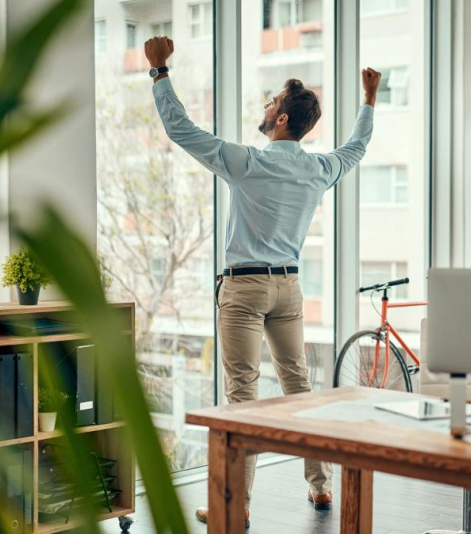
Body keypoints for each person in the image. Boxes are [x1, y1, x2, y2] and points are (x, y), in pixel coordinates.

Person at [144, 36, 379, 529]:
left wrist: (160, 72)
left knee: (243, 395)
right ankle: (321, 488)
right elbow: (356, 148)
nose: (265, 106)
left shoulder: (248, 162)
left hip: (245, 289)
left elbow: (181, 130)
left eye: (271, 102)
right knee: (299, 389)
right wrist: (369, 103)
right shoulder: (319, 169)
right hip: (289, 289)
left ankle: (238, 503)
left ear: (282, 120)